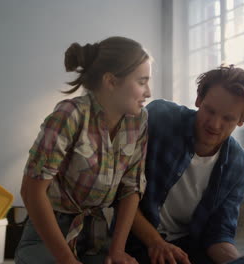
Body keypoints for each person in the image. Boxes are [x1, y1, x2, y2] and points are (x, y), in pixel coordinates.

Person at [15, 36, 151, 264]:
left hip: (97, 236)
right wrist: (67, 260)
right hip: (50, 234)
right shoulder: (69, 115)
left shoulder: (138, 121)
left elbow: (131, 188)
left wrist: (117, 251)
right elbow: (31, 192)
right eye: (142, 82)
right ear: (111, 81)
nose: (148, 92)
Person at [127, 65, 244, 264]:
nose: (214, 125)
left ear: (241, 121)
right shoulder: (160, 118)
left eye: (227, 118)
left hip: (190, 244)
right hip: (139, 237)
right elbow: (124, 190)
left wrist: (237, 261)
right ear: (199, 99)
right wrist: (156, 242)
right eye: (209, 110)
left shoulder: (239, 166)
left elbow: (218, 232)